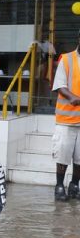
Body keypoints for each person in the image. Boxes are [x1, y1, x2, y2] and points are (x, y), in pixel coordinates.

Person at [51, 29, 80, 201]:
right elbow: (60, 86)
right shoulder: (67, 59)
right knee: (63, 154)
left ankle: (75, 184)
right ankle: (59, 185)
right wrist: (73, 98)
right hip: (66, 119)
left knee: (79, 157)